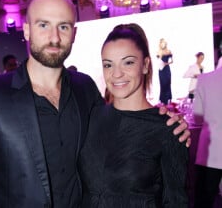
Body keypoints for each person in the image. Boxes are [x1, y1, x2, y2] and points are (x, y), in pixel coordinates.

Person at [0, 0, 190, 208]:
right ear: (26, 29)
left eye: (63, 26)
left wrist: (167, 123)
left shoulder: (84, 88)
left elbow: (120, 124)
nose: (54, 37)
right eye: (44, 25)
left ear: (73, 33)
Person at [79, 23, 189, 207]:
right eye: (108, 65)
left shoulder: (168, 128)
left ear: (145, 65)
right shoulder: (92, 117)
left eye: (128, 62)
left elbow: (176, 202)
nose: (116, 74)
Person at [193, 67, 222, 208]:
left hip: (211, 152)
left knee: (204, 201)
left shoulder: (205, 79)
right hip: (210, 153)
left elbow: (197, 117)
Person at [156, 38, 173, 104]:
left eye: (163, 42)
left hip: (167, 69)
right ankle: (162, 99)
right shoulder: (159, 51)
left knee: (168, 83)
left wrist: (166, 63)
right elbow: (158, 61)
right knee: (162, 84)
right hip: (161, 70)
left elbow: (172, 61)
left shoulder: (169, 51)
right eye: (161, 43)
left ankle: (168, 98)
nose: (162, 44)